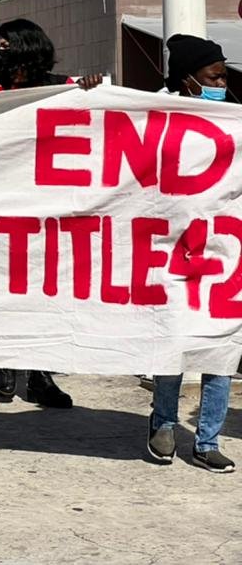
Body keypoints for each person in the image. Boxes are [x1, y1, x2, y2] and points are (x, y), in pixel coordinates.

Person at [0, 18, 99, 408]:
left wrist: (94, 93)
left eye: (6, 43)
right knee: (5, 290)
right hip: (4, 212)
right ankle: (3, 361)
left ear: (26, 46)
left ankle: (39, 376)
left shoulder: (64, 89)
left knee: (46, 295)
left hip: (52, 213)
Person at [147, 33, 234, 472]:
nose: (222, 82)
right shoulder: (157, 116)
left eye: (223, 75)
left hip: (223, 251)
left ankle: (208, 440)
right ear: (189, 80)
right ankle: (163, 424)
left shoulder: (233, 122)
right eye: (213, 76)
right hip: (172, 252)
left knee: (221, 348)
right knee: (175, 343)